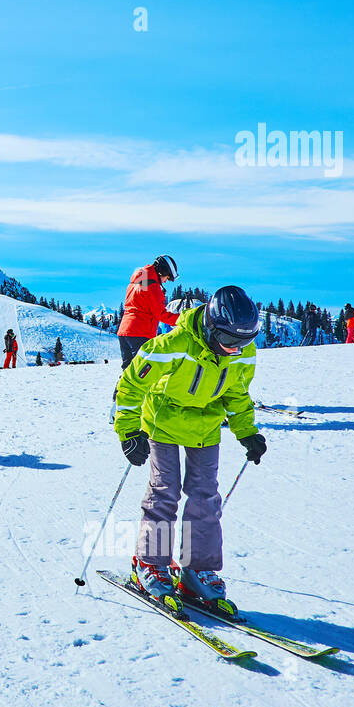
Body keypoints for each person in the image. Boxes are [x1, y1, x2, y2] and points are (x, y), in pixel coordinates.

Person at [113, 285, 267, 614]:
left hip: (206, 426)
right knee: (164, 491)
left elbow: (237, 396)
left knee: (205, 496)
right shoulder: (173, 345)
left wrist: (247, 431)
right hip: (163, 421)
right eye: (229, 341)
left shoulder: (242, 352)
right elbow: (131, 383)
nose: (235, 349)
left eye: (244, 341)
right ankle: (150, 564)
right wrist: (129, 430)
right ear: (212, 327)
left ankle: (196, 570)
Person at [116, 255, 180, 368]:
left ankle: (121, 386)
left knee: (128, 372)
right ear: (162, 272)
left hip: (125, 331)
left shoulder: (140, 280)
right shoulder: (152, 285)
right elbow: (161, 314)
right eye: (167, 277)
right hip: (140, 332)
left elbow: (142, 299)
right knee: (143, 372)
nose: (166, 281)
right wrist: (182, 319)